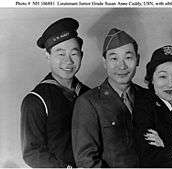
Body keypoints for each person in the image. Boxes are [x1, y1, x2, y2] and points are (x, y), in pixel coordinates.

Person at [71, 28, 148, 167]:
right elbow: (86, 161)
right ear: (104, 62)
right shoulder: (89, 103)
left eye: (128, 57)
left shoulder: (149, 97)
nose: (122, 65)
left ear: (138, 60)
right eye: (114, 58)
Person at [20, 18, 90, 168]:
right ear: (48, 56)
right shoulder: (36, 100)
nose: (68, 61)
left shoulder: (89, 95)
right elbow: (32, 152)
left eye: (74, 53)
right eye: (60, 54)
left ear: (81, 55)